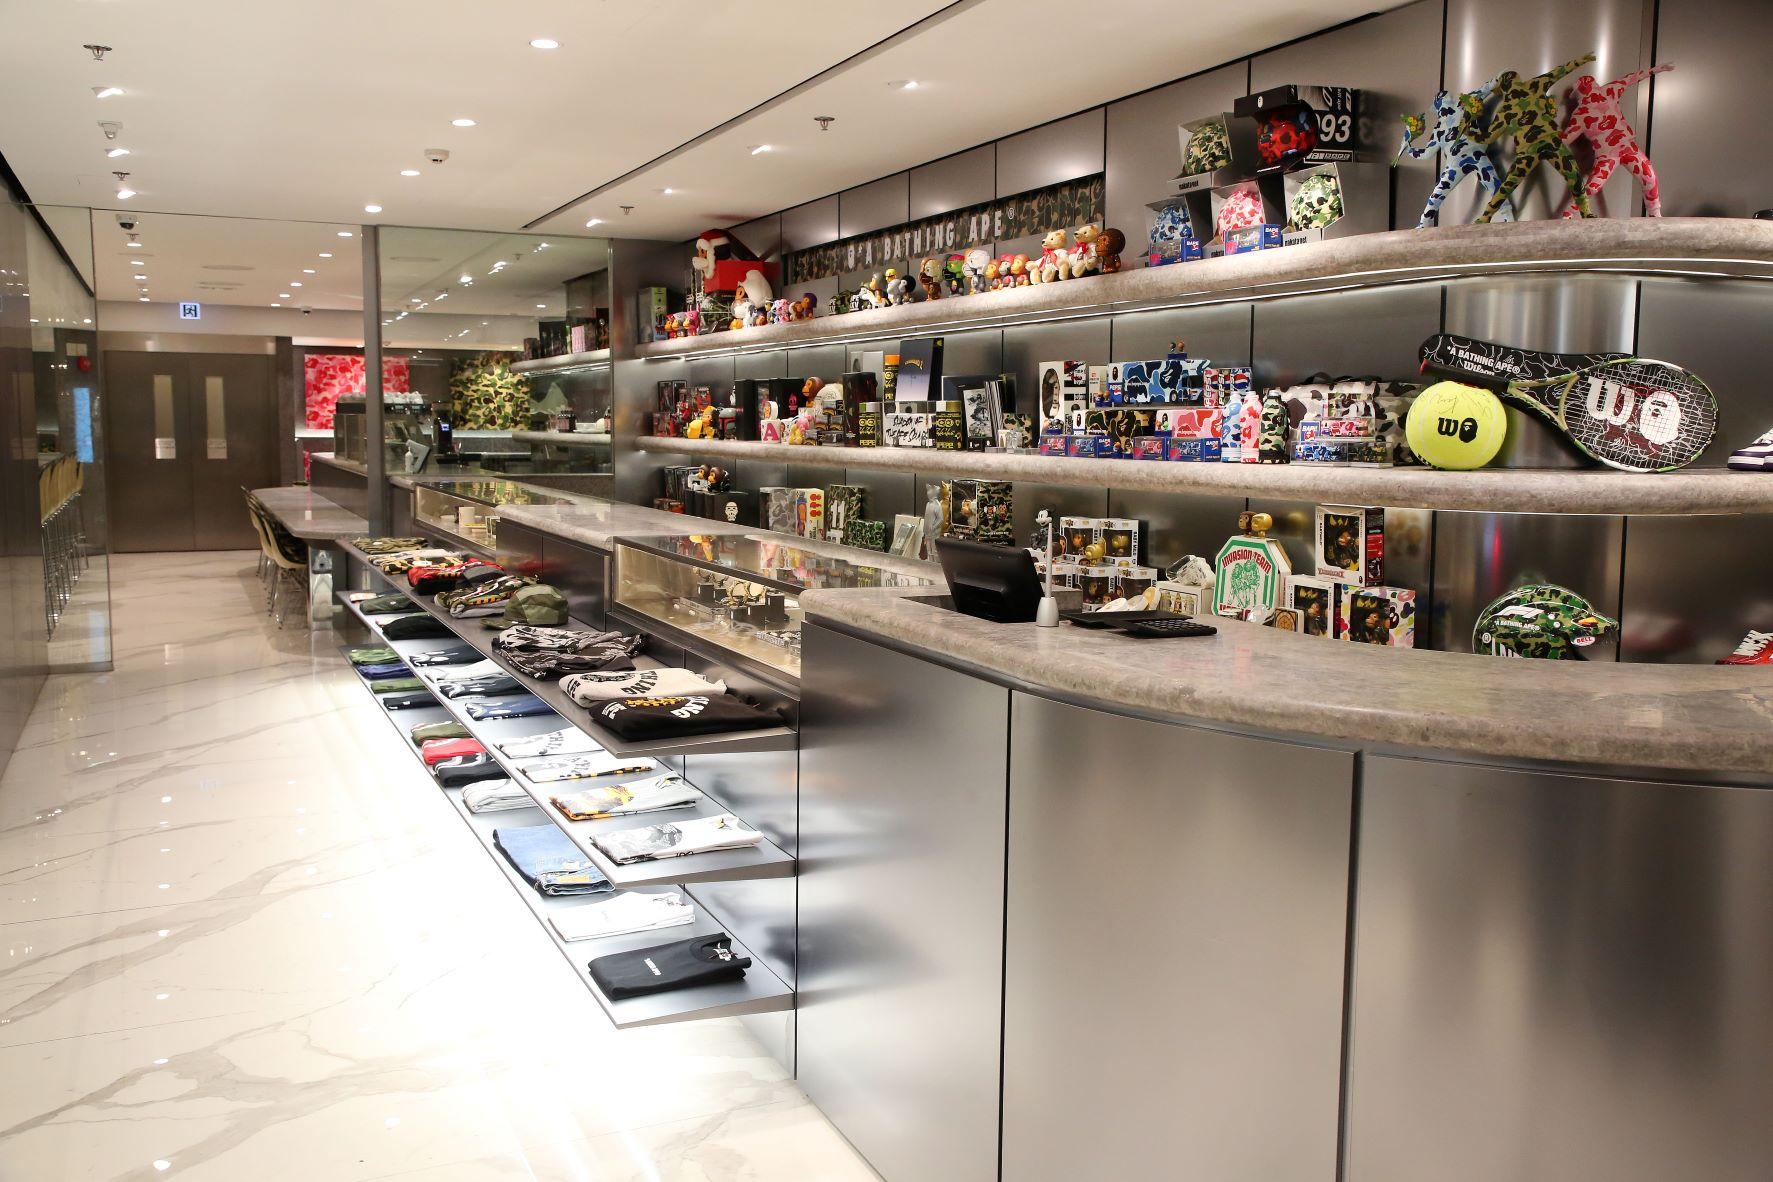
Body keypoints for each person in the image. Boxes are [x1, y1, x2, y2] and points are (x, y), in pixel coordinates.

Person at [1561, 64, 1675, 217]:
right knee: (1594, 186)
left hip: (1625, 147)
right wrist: (1656, 70)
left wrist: (1656, 69)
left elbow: (1631, 78)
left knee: (1649, 177)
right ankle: (1568, 213)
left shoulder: (1604, 95)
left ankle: (1655, 215)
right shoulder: (1584, 110)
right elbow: (1566, 138)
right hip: (1609, 153)